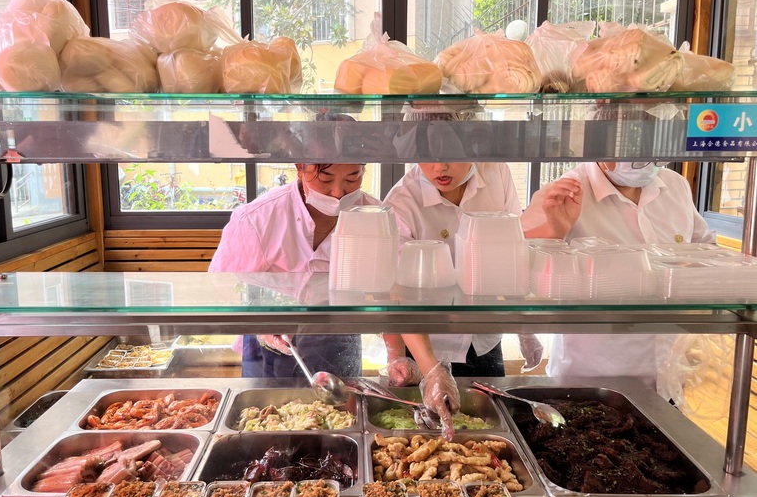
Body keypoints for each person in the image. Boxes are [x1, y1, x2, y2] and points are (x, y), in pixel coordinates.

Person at [208, 162, 460, 433]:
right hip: (268, 354)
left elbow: (396, 296)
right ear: (300, 168)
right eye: (325, 178)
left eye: (353, 178)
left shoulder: (381, 219)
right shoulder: (257, 218)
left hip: (338, 344)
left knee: (339, 426)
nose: (339, 192)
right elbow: (228, 289)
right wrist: (261, 324)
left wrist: (398, 357)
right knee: (264, 428)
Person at [520, 160, 717, 393]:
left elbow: (705, 249)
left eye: (657, 152)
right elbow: (518, 272)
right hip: (592, 377)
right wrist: (555, 233)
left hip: (668, 374)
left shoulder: (675, 185)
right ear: (604, 142)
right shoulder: (562, 194)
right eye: (636, 152)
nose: (647, 162)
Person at [381, 153, 568, 383]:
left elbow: (512, 253)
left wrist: (523, 326)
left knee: (487, 414)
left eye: (452, 152)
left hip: (485, 338)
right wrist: (415, 365)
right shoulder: (401, 202)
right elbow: (398, 296)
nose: (441, 166)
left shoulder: (496, 173)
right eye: (426, 155)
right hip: (428, 346)